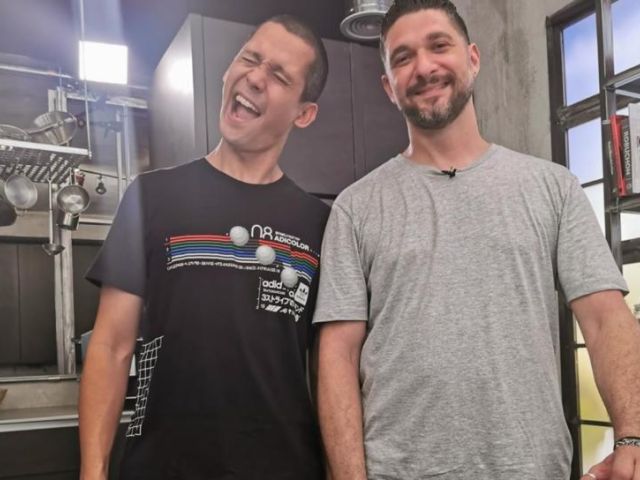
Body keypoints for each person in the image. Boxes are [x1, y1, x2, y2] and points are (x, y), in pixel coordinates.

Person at [313, 1, 640, 479]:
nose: (424, 67)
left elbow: (606, 319)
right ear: (388, 86)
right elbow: (337, 357)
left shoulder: (553, 188)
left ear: (472, 58)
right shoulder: (355, 209)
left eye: (438, 46)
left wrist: (631, 435)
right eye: (403, 58)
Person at [79, 14, 330, 480]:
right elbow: (111, 346)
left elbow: (328, 370)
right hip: (162, 468)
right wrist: (92, 474)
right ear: (228, 69)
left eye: (279, 76)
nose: (255, 77)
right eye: (249, 59)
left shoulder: (321, 224)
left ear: (304, 113)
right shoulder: (152, 197)